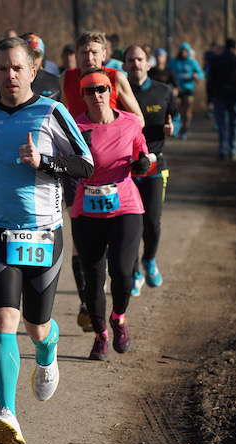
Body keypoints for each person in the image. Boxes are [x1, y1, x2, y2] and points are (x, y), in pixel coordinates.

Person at [0, 37, 93, 444]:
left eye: (17, 68)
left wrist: (46, 163)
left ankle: (47, 351)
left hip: (43, 233)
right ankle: (7, 413)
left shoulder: (51, 111)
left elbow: (86, 164)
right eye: (2, 69)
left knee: (37, 327)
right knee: (4, 321)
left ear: (32, 71)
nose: (10, 76)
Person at [60, 30, 144, 331]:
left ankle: (117, 287)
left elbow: (139, 119)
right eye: (84, 53)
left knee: (117, 258)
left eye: (94, 52)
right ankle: (88, 300)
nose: (89, 58)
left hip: (113, 159)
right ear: (76, 55)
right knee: (79, 243)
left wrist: (117, 133)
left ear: (104, 54)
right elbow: (63, 113)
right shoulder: (68, 77)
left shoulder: (115, 76)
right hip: (79, 161)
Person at [70, 70, 149, 360]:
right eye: (90, 91)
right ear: (82, 96)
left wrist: (142, 164)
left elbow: (143, 156)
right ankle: (101, 335)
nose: (97, 95)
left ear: (111, 92)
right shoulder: (74, 125)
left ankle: (119, 317)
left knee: (123, 273)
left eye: (102, 89)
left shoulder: (129, 122)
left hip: (125, 206)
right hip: (86, 209)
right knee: (92, 277)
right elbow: (63, 162)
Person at [123, 44, 177, 297]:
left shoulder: (163, 91)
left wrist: (171, 127)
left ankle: (149, 260)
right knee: (131, 224)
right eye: (131, 60)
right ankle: (134, 271)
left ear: (148, 63)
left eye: (140, 59)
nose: (135, 64)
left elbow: (173, 117)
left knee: (152, 223)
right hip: (127, 167)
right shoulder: (120, 93)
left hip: (155, 165)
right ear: (124, 65)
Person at [207, 38, 236, 161]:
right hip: (235, 97)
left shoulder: (215, 61)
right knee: (234, 124)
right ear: (235, 48)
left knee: (222, 124)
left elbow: (210, 82)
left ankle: (223, 150)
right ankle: (233, 150)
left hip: (219, 96)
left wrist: (209, 98)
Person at [168, 42, 204, 139]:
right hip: (177, 89)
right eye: (182, 51)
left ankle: (185, 127)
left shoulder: (192, 62)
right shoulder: (173, 62)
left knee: (187, 110)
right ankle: (178, 128)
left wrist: (197, 76)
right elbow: (167, 72)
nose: (183, 53)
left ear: (188, 52)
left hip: (188, 88)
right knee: (178, 109)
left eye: (185, 51)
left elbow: (201, 73)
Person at [21, 32, 60, 99]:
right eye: (29, 53)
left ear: (42, 57)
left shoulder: (56, 82)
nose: (33, 58)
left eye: (37, 54)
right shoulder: (11, 80)